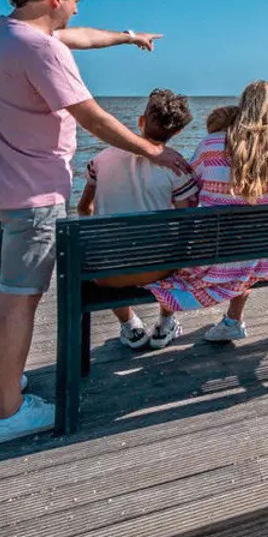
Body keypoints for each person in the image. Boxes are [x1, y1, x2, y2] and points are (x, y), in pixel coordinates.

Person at [0, 0, 190, 446]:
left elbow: (81, 36)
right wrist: (153, 150)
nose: (75, 10)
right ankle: (6, 414)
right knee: (18, 300)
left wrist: (129, 36)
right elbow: (91, 117)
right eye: (75, 0)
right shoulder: (42, 51)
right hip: (30, 195)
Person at [144, 80, 268, 341]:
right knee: (251, 245)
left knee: (216, 245)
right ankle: (233, 320)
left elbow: (190, 193)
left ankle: (166, 323)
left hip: (215, 258)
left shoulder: (210, 145)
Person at [76, 89, 200, 350]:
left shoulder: (100, 160)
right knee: (180, 253)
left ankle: (129, 324)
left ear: (141, 121)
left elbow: (83, 208)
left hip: (107, 275)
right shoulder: (177, 168)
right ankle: (165, 321)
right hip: (158, 270)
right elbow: (187, 223)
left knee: (103, 252)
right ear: (177, 133)